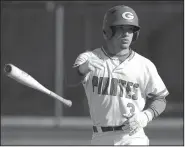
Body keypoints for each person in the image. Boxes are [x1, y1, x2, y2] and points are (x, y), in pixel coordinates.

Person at [73, 5, 169, 145]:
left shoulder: (144, 65)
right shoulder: (89, 59)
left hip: (133, 137)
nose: (126, 34)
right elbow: (67, 79)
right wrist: (82, 69)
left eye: (130, 29)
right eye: (120, 29)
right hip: (100, 138)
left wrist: (146, 116)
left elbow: (160, 99)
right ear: (107, 32)